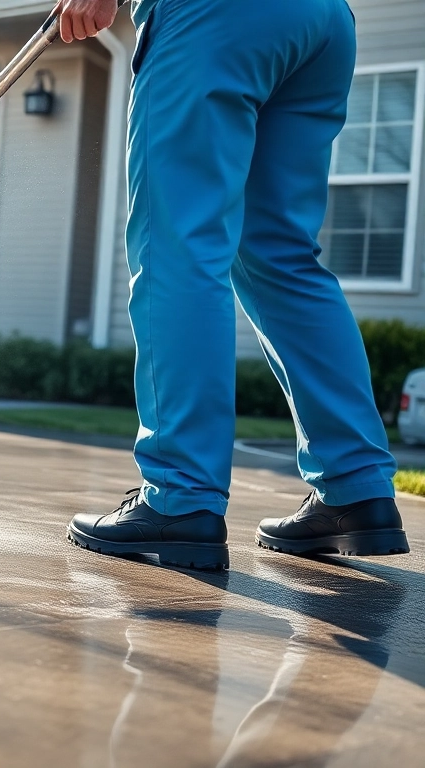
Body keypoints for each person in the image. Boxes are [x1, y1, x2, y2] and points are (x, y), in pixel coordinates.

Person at [60, 0, 408, 569]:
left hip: (214, 16)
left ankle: (180, 497)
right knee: (280, 255)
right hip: (322, 21)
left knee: (178, 246)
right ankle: (355, 490)